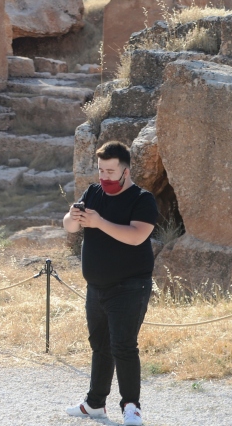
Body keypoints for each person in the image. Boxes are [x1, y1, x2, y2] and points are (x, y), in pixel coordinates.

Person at [62, 141, 157, 426]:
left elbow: (137, 236)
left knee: (124, 346)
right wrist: (74, 216)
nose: (104, 177)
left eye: (110, 171)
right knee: (100, 346)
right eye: (101, 170)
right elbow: (69, 226)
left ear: (126, 171)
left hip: (130, 287)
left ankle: (131, 407)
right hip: (97, 287)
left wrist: (99, 221)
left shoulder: (142, 199)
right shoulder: (93, 192)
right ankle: (94, 404)